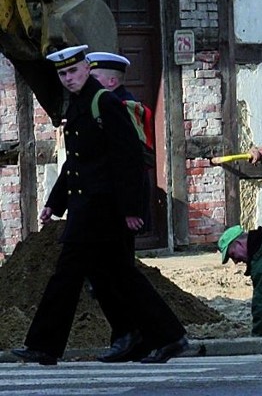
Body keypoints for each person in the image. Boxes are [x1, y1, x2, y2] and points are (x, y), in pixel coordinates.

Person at [11, 45, 187, 366]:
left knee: (67, 275)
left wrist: (133, 209)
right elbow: (77, 164)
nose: (68, 78)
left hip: (104, 211)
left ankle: (44, 345)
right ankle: (162, 336)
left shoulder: (104, 102)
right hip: (88, 208)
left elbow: (129, 158)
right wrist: (54, 203)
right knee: (118, 276)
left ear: (87, 69)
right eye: (62, 74)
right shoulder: (80, 105)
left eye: (73, 71)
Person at [84, 51, 156, 361]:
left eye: (94, 78)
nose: (88, 84)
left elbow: (133, 164)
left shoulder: (124, 109)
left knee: (118, 276)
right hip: (107, 206)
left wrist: (132, 210)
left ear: (111, 82)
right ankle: (134, 337)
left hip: (120, 208)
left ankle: (135, 336)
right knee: (112, 274)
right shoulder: (102, 106)